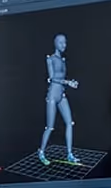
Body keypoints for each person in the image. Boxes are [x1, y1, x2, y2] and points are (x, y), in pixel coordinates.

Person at [39, 33, 79, 165]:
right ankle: (41, 152)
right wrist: (68, 82)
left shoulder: (63, 60)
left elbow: (61, 78)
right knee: (50, 127)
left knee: (69, 122)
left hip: (61, 94)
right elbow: (52, 78)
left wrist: (70, 82)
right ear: (55, 43)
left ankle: (69, 154)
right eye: (61, 42)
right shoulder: (50, 59)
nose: (64, 45)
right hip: (52, 95)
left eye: (65, 42)